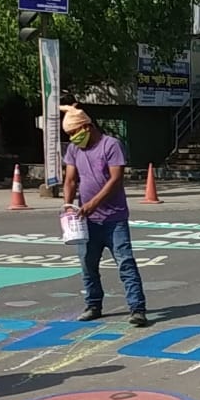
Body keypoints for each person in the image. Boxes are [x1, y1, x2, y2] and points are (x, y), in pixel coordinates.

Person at [61, 104, 148, 327]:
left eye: (74, 133)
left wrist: (93, 203)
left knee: (125, 262)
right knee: (88, 264)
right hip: (85, 220)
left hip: (113, 218)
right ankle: (93, 304)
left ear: (87, 127)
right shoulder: (74, 149)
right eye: (69, 135)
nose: (73, 138)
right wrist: (68, 205)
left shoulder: (111, 145)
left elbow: (115, 179)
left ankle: (137, 308)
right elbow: (70, 179)